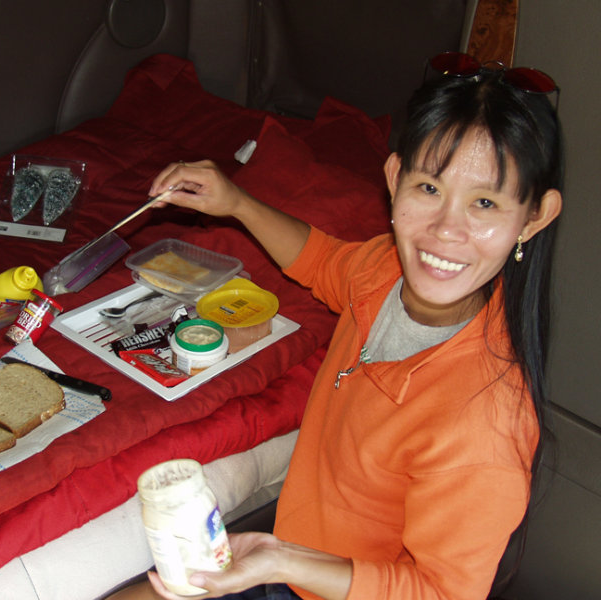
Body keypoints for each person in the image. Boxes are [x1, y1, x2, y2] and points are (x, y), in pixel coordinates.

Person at [110, 54, 564, 600]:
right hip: (292, 567)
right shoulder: (387, 273)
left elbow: (442, 594)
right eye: (429, 189)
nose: (447, 230)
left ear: (533, 218)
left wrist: (287, 562)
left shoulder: (485, 423)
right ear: (395, 179)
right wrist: (236, 203)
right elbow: (322, 259)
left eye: (485, 202)